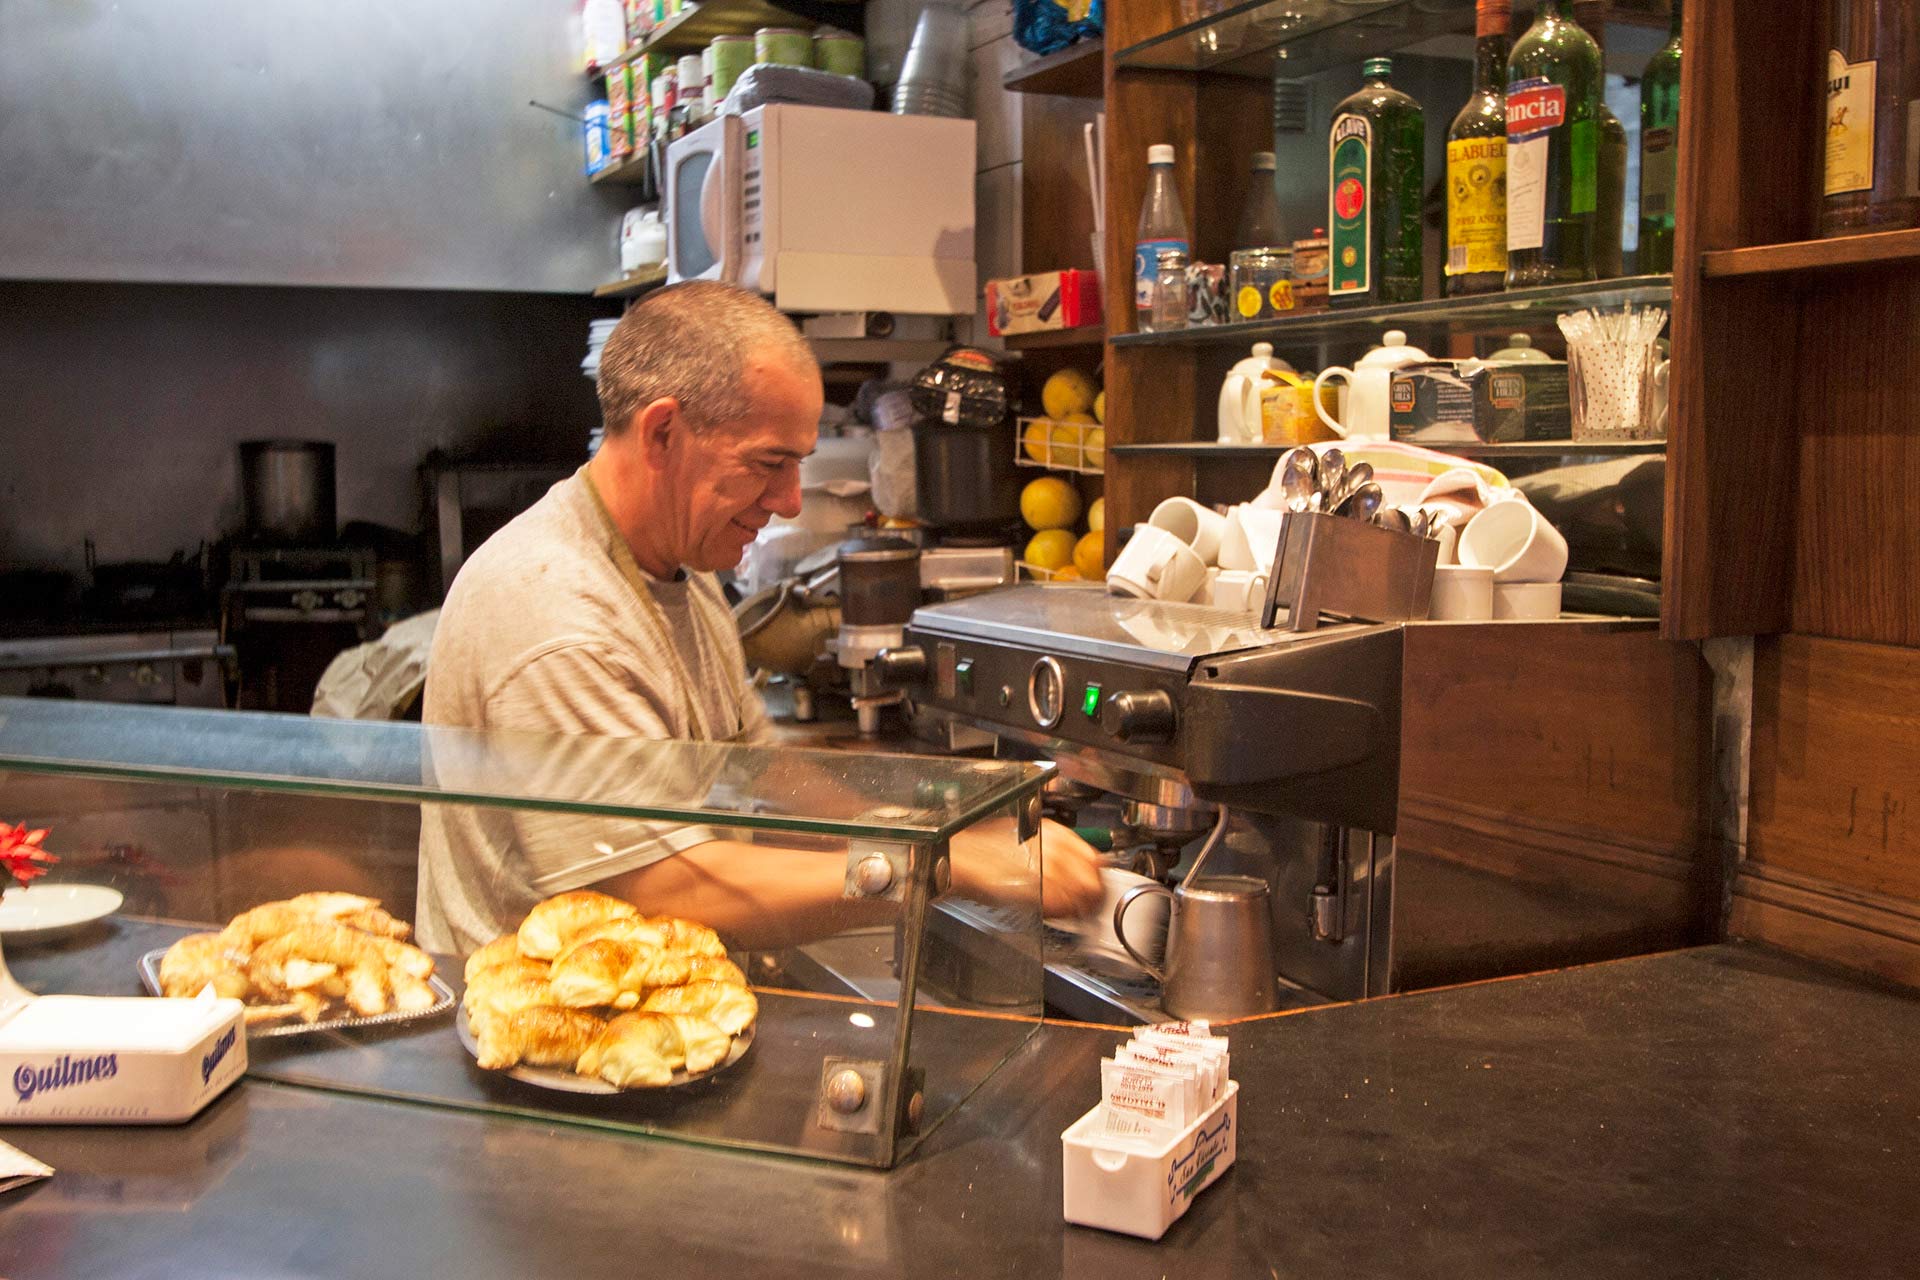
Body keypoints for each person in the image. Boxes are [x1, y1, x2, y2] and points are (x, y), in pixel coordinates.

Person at [416, 282, 1101, 955]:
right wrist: (940, 864)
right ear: (662, 433)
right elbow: (660, 891)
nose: (791, 502)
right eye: (769, 464)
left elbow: (756, 768)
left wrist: (921, 827)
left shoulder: (679, 563)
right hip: (539, 1039)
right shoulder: (558, 611)